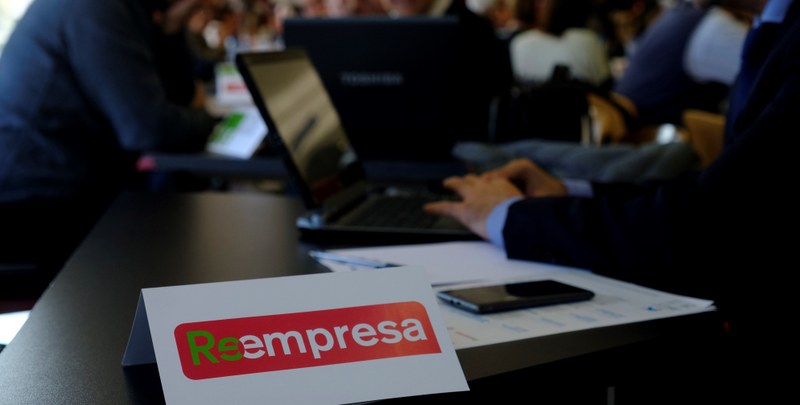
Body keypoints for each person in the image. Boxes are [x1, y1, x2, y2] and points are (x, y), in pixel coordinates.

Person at [425, 0, 796, 400]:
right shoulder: (771, 25)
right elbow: (715, 192)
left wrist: (511, 215)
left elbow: (702, 223)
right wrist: (568, 192)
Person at [0, 0, 219, 298]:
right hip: (35, 203)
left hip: (79, 187)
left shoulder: (137, 9)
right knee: (183, 251)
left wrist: (172, 25)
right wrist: (214, 120)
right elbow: (150, 129)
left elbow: (177, 96)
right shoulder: (96, 8)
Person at [508, 0, 612, 89]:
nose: (542, 5)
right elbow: (604, 83)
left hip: (533, 106)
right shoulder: (588, 41)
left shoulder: (519, 43)